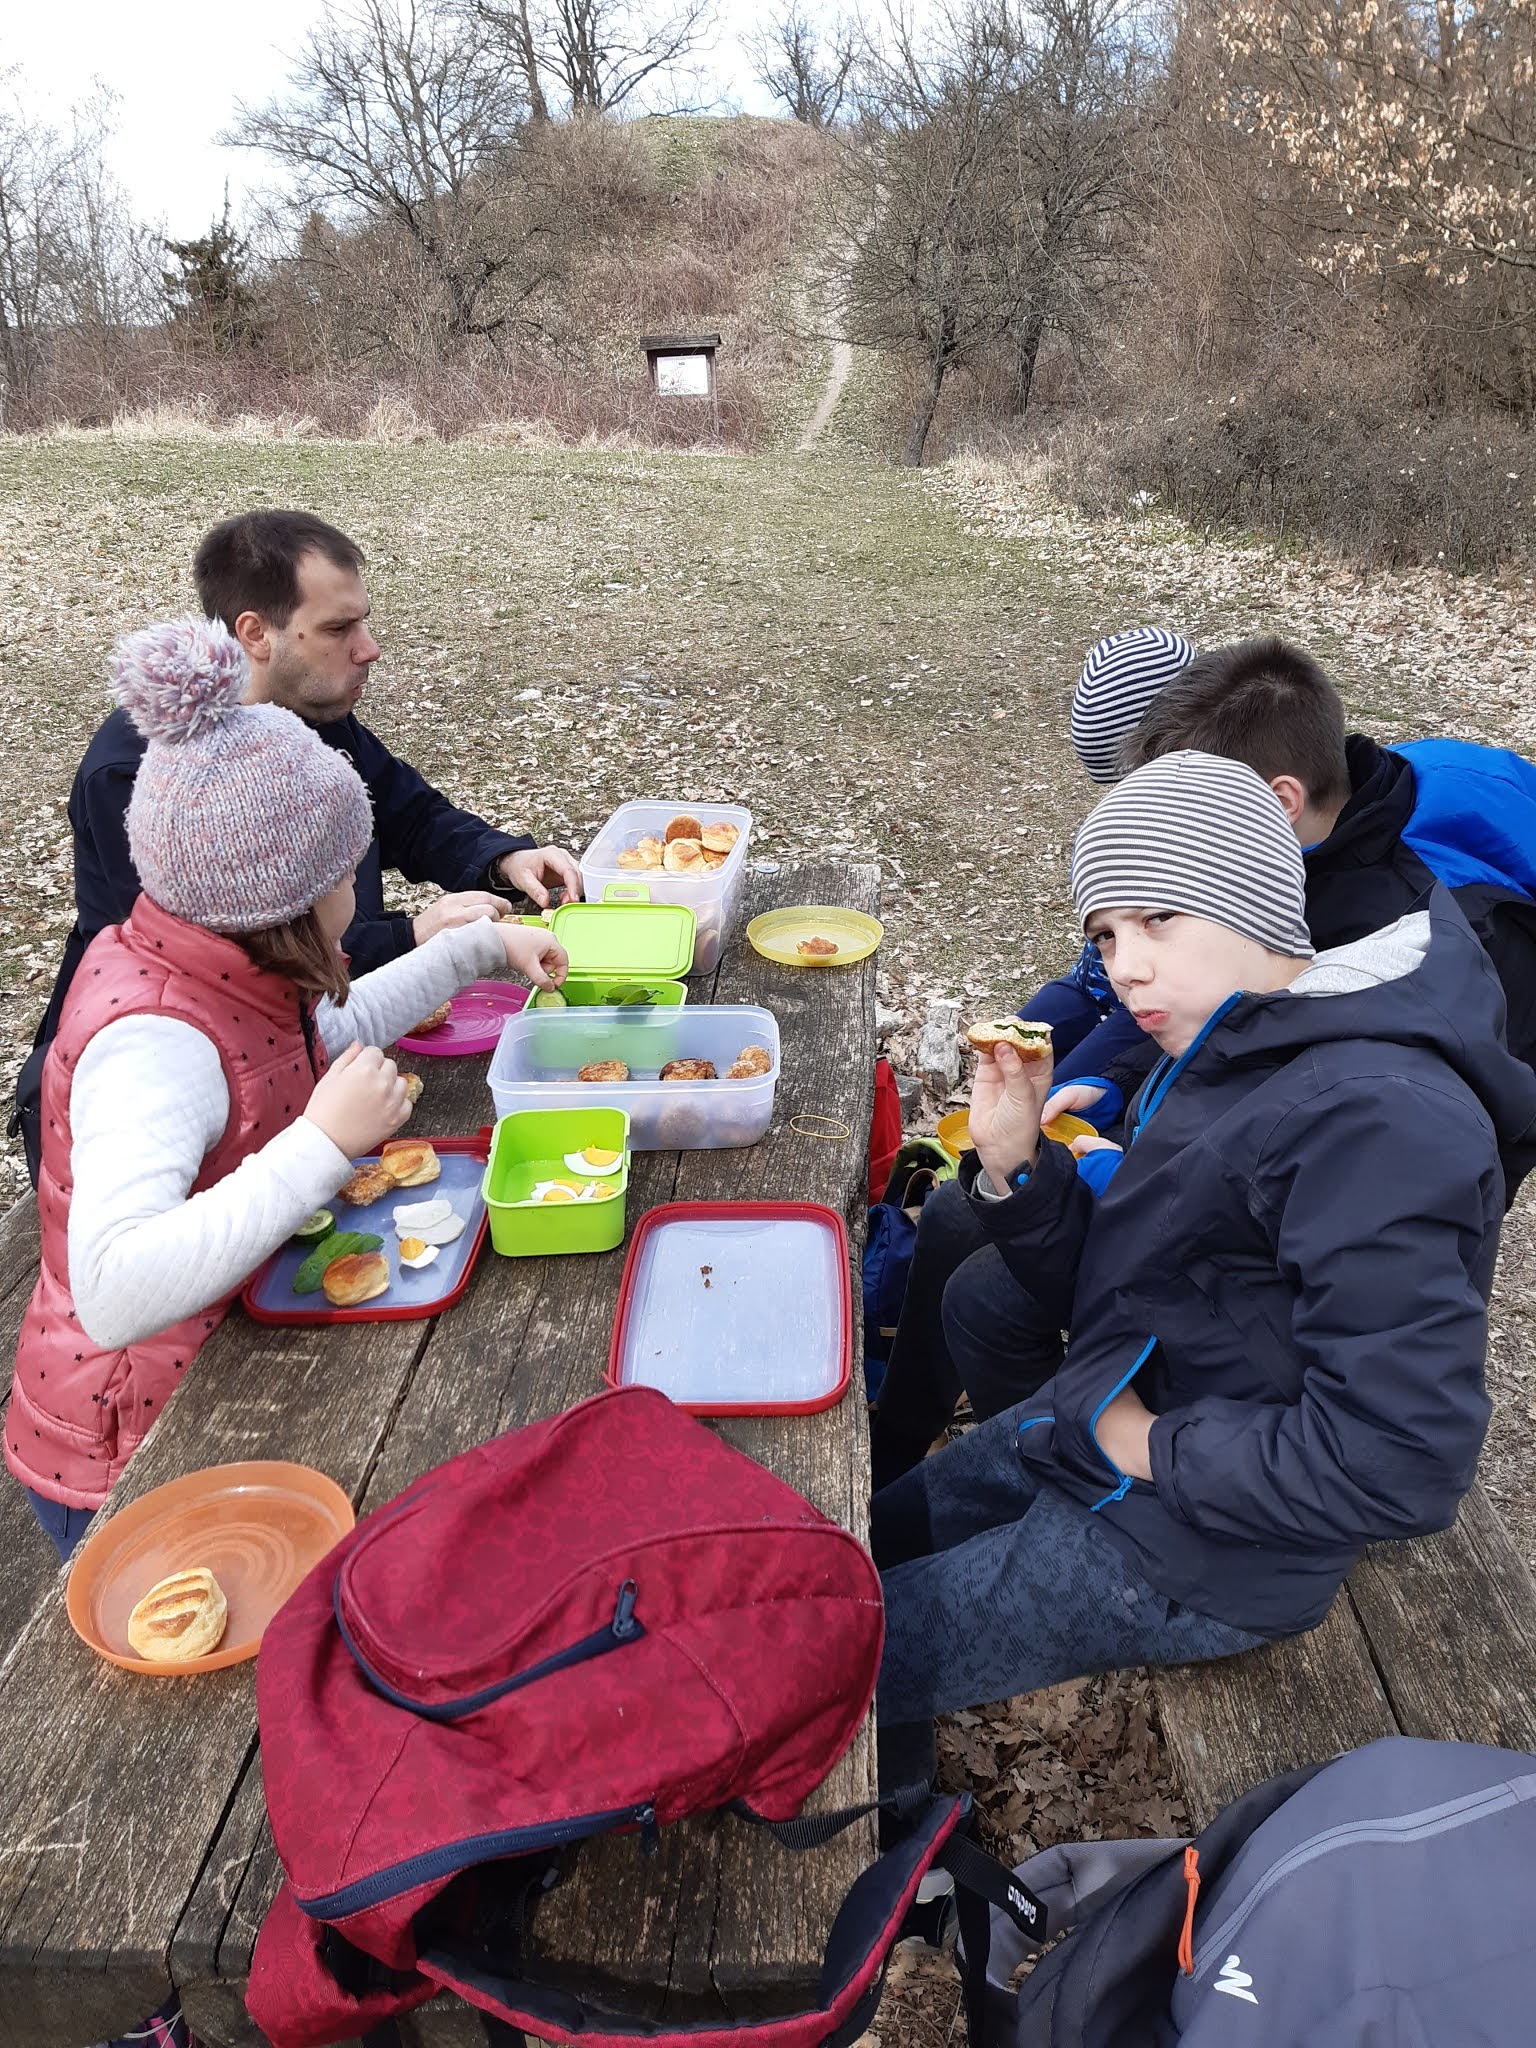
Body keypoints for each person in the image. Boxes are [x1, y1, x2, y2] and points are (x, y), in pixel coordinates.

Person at [875, 751, 1534, 1771]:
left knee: (854, 1650)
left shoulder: (1381, 1121)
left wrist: (1150, 1445)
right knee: (875, 1537)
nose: (1124, 966)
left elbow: (1402, 1461)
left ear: (1256, 896)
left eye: (1158, 918)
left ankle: (886, 1809)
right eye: (1105, 934)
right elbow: (1134, 1283)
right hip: (1116, 1416)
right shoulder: (1234, 1038)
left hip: (1205, 1551)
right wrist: (1017, 1168)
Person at [6, 616, 568, 1562]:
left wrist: (478, 948)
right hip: (134, 1450)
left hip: (225, 1350)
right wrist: (321, 1145)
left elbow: (325, 1033)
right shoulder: (155, 1043)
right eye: (349, 871)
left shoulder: (226, 961)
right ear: (289, 895)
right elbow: (112, 1289)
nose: (359, 889)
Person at [10, 509, 582, 1185]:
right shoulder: (149, 778)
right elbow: (231, 963)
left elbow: (408, 814)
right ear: (255, 633)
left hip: (289, 1052)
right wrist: (408, 935)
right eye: (339, 629)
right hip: (148, 1125)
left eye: (363, 622)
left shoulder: (311, 720)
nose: (368, 648)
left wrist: (500, 858)